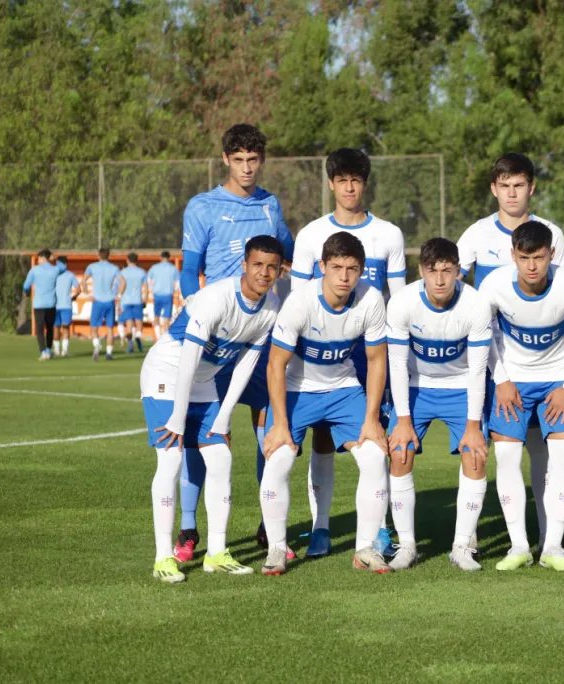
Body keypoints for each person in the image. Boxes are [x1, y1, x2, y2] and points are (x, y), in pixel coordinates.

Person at [175, 123, 295, 562]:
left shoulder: (270, 204)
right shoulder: (202, 206)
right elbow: (190, 268)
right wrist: (196, 307)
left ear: (261, 161)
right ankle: (189, 529)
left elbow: (288, 249)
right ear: (225, 159)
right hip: (216, 339)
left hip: (261, 337)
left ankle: (269, 523)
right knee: (203, 434)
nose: (247, 168)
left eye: (254, 160)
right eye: (238, 160)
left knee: (267, 427)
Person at [142, 235, 283, 583]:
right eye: (257, 265)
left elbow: (248, 362)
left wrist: (223, 415)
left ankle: (217, 554)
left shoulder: (271, 307)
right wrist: (177, 414)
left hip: (205, 382)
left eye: (272, 267)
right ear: (245, 265)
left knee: (221, 459)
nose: (264, 273)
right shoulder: (215, 299)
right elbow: (189, 355)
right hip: (167, 373)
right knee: (171, 458)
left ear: (279, 271)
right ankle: (163, 558)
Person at [289, 148, 406, 558]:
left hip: (372, 352)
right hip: (322, 354)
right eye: (342, 180)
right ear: (331, 184)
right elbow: (298, 299)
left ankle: (381, 529)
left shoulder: (389, 235)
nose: (350, 187)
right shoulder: (310, 235)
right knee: (322, 438)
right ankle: (320, 528)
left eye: (356, 179)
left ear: (365, 183)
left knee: (380, 437)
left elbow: (397, 299)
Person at [455, 152, 564, 555]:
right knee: (485, 447)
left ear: (531, 187)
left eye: (518, 185)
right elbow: (455, 287)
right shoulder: (475, 235)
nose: (511, 193)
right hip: (491, 363)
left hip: (541, 364)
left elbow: (563, 299)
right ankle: (467, 537)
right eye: (504, 186)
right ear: (493, 189)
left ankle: (546, 540)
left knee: (543, 452)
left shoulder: (551, 233)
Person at [259, 232, 391, 575]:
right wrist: (280, 423)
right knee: (279, 457)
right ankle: (276, 549)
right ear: (322, 267)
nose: (344, 276)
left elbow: (377, 361)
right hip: (297, 390)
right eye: (336, 267)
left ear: (361, 270)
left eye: (352, 268)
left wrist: (371, 418)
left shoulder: (371, 299)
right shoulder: (300, 301)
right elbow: (276, 363)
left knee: (376, 456)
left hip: (344, 389)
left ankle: (365, 549)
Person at [479, 221, 564, 572]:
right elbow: (484, 338)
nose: (531, 266)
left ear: (551, 254)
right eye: (524, 257)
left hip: (558, 379)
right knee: (508, 455)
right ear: (512, 255)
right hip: (513, 380)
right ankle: (519, 546)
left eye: (538, 257)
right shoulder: (494, 285)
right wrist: (503, 380)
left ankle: (553, 546)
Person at [385, 238, 493, 571]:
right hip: (416, 388)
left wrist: (473, 427)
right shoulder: (402, 303)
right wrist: (403, 419)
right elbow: (397, 366)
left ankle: (462, 547)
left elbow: (477, 370)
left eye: (448, 270)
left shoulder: (475, 304)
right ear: (421, 272)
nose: (441, 279)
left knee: (475, 457)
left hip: (461, 388)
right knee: (399, 451)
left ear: (459, 271)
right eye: (433, 271)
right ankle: (406, 546)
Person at [82, 248, 123, 362]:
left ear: (98, 256)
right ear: (108, 256)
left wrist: (87, 295)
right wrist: (118, 296)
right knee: (110, 328)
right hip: (110, 301)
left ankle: (97, 345)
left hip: (97, 301)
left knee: (94, 327)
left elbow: (83, 281)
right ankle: (109, 353)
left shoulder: (92, 266)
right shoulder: (114, 268)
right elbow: (123, 282)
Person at [23, 249, 61, 361]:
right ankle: (49, 350)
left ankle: (43, 351)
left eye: (39, 258)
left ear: (43, 258)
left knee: (39, 329)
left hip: (39, 304)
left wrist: (26, 292)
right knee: (50, 328)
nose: (38, 260)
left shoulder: (34, 270)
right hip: (51, 304)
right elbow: (63, 268)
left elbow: (26, 285)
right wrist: (55, 260)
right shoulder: (55, 269)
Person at [118, 253, 148, 354]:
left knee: (129, 323)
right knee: (139, 322)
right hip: (137, 300)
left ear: (127, 260)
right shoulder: (142, 272)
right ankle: (138, 337)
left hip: (126, 301)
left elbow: (120, 287)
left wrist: (118, 300)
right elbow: (146, 287)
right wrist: (145, 299)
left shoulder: (122, 272)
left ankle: (130, 346)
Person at [147, 251, 180, 340]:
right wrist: (174, 290)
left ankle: (158, 337)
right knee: (167, 317)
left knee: (156, 315)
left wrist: (152, 288)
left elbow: (149, 279)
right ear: (169, 258)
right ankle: (165, 337)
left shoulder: (154, 267)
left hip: (157, 294)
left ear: (160, 257)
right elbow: (178, 282)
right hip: (168, 294)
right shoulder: (173, 268)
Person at [52, 256, 80, 357]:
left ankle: (56, 350)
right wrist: (73, 298)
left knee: (56, 328)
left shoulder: (53, 275)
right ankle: (65, 351)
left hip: (54, 305)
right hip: (66, 306)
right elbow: (78, 290)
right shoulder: (70, 275)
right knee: (66, 328)